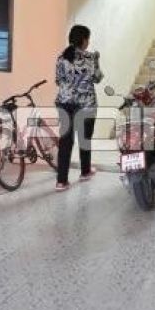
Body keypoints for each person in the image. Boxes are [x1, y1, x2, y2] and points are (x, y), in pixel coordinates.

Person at [54, 24, 103, 191]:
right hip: (86, 105)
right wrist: (97, 61)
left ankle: (61, 182)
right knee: (85, 139)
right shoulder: (90, 57)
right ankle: (85, 172)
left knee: (65, 142)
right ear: (83, 40)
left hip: (65, 103)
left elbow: (58, 80)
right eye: (88, 38)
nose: (88, 42)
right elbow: (97, 78)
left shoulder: (61, 57)